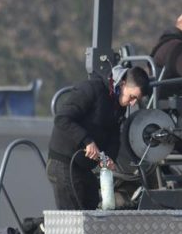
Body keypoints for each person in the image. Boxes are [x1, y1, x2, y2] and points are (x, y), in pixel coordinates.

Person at [45, 66, 150, 210]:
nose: (132, 103)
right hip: (63, 162)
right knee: (74, 215)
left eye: (136, 100)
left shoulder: (118, 105)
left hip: (83, 168)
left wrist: (109, 157)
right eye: (132, 97)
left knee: (92, 202)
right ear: (122, 84)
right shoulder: (92, 89)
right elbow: (62, 118)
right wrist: (87, 141)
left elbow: (114, 135)